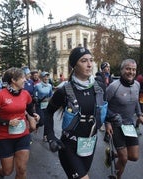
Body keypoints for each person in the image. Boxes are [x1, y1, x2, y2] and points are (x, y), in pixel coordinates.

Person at [44, 47, 107, 179]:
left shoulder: (99, 87)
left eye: (91, 60)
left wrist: (113, 118)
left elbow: (101, 109)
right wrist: (51, 137)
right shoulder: (64, 91)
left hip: (90, 144)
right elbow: (48, 113)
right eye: (84, 61)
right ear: (74, 65)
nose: (89, 64)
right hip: (69, 146)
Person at [0, 67, 40, 179]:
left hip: (23, 136)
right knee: (7, 171)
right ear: (14, 80)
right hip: (5, 137)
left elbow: (30, 109)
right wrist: (7, 122)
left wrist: (34, 114)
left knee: (21, 169)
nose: (25, 80)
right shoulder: (0, 95)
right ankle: (1, 173)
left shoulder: (25, 94)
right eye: (22, 78)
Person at [105, 59, 143, 179]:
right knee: (124, 158)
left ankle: (113, 155)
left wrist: (139, 114)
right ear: (122, 70)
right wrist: (107, 123)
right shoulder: (113, 87)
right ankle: (117, 177)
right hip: (116, 125)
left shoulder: (137, 84)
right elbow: (103, 106)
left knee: (133, 157)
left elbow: (135, 101)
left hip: (129, 125)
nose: (131, 72)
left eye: (133, 70)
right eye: (128, 69)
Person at [95, 61, 114, 141]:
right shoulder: (98, 78)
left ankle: (107, 135)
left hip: (109, 99)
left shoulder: (109, 77)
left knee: (109, 118)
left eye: (109, 67)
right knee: (103, 116)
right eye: (107, 67)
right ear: (103, 69)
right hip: (102, 99)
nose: (108, 68)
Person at [33, 71, 53, 142]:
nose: (46, 78)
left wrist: (49, 99)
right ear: (41, 77)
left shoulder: (50, 86)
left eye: (47, 76)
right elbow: (34, 95)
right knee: (41, 121)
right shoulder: (37, 86)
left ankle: (45, 136)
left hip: (47, 105)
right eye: (45, 76)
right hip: (39, 105)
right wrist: (36, 98)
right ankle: (37, 125)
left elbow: (51, 95)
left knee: (47, 121)